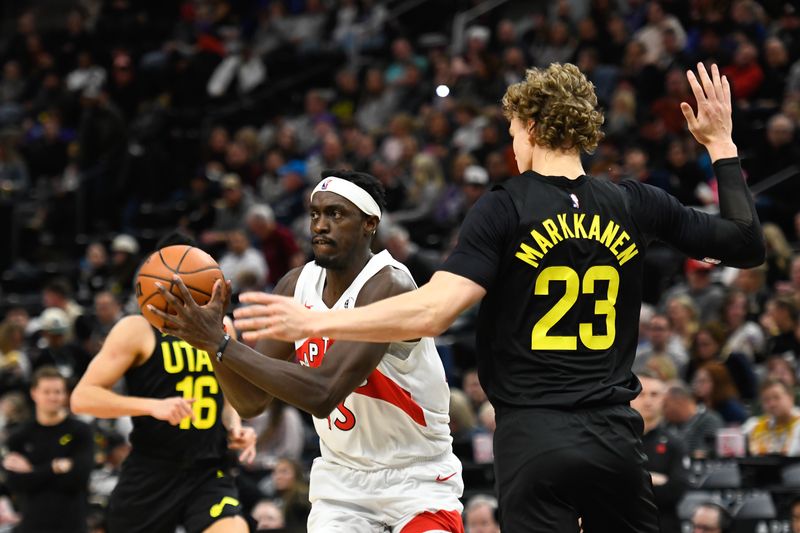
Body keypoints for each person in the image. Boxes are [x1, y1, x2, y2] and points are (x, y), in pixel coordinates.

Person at [234, 63, 765, 532]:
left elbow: (432, 311)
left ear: (532, 127)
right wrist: (720, 145)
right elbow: (745, 242)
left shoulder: (505, 206)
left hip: (534, 433)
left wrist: (317, 324)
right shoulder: (635, 202)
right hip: (615, 437)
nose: (513, 146)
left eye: (513, 132)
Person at [147, 170, 465, 532]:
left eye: (336, 214)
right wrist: (212, 342)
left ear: (369, 224)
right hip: (342, 482)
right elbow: (251, 401)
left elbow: (322, 393)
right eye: (315, 214)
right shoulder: (296, 284)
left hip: (416, 476)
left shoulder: (390, 284)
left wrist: (222, 345)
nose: (321, 225)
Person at [70, 243, 257, 533]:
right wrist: (153, 406)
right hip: (152, 471)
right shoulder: (136, 329)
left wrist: (235, 426)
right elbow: (82, 398)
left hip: (207, 469)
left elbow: (227, 394)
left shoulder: (223, 329)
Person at [3, 367, 93, 533]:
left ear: (65, 394)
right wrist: (54, 468)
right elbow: (15, 483)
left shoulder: (81, 431)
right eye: (47, 392)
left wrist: (32, 471)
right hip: (32, 524)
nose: (53, 397)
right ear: (34, 393)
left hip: (71, 525)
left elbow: (78, 479)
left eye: (58, 392)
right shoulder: (20, 435)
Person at [630, 372, 688, 533]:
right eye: (641, 394)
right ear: (630, 397)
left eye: (654, 394)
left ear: (663, 398)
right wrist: (652, 479)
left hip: (663, 524)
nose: (648, 400)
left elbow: (676, 490)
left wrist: (633, 482)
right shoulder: (616, 441)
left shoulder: (674, 443)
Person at [662, 381, 723, 459]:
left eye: (665, 405)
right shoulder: (667, 424)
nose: (663, 411)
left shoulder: (709, 421)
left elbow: (703, 455)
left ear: (680, 402)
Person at [741, 378, 800, 456]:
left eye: (776, 397)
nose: (772, 404)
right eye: (766, 400)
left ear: (791, 398)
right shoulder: (753, 425)